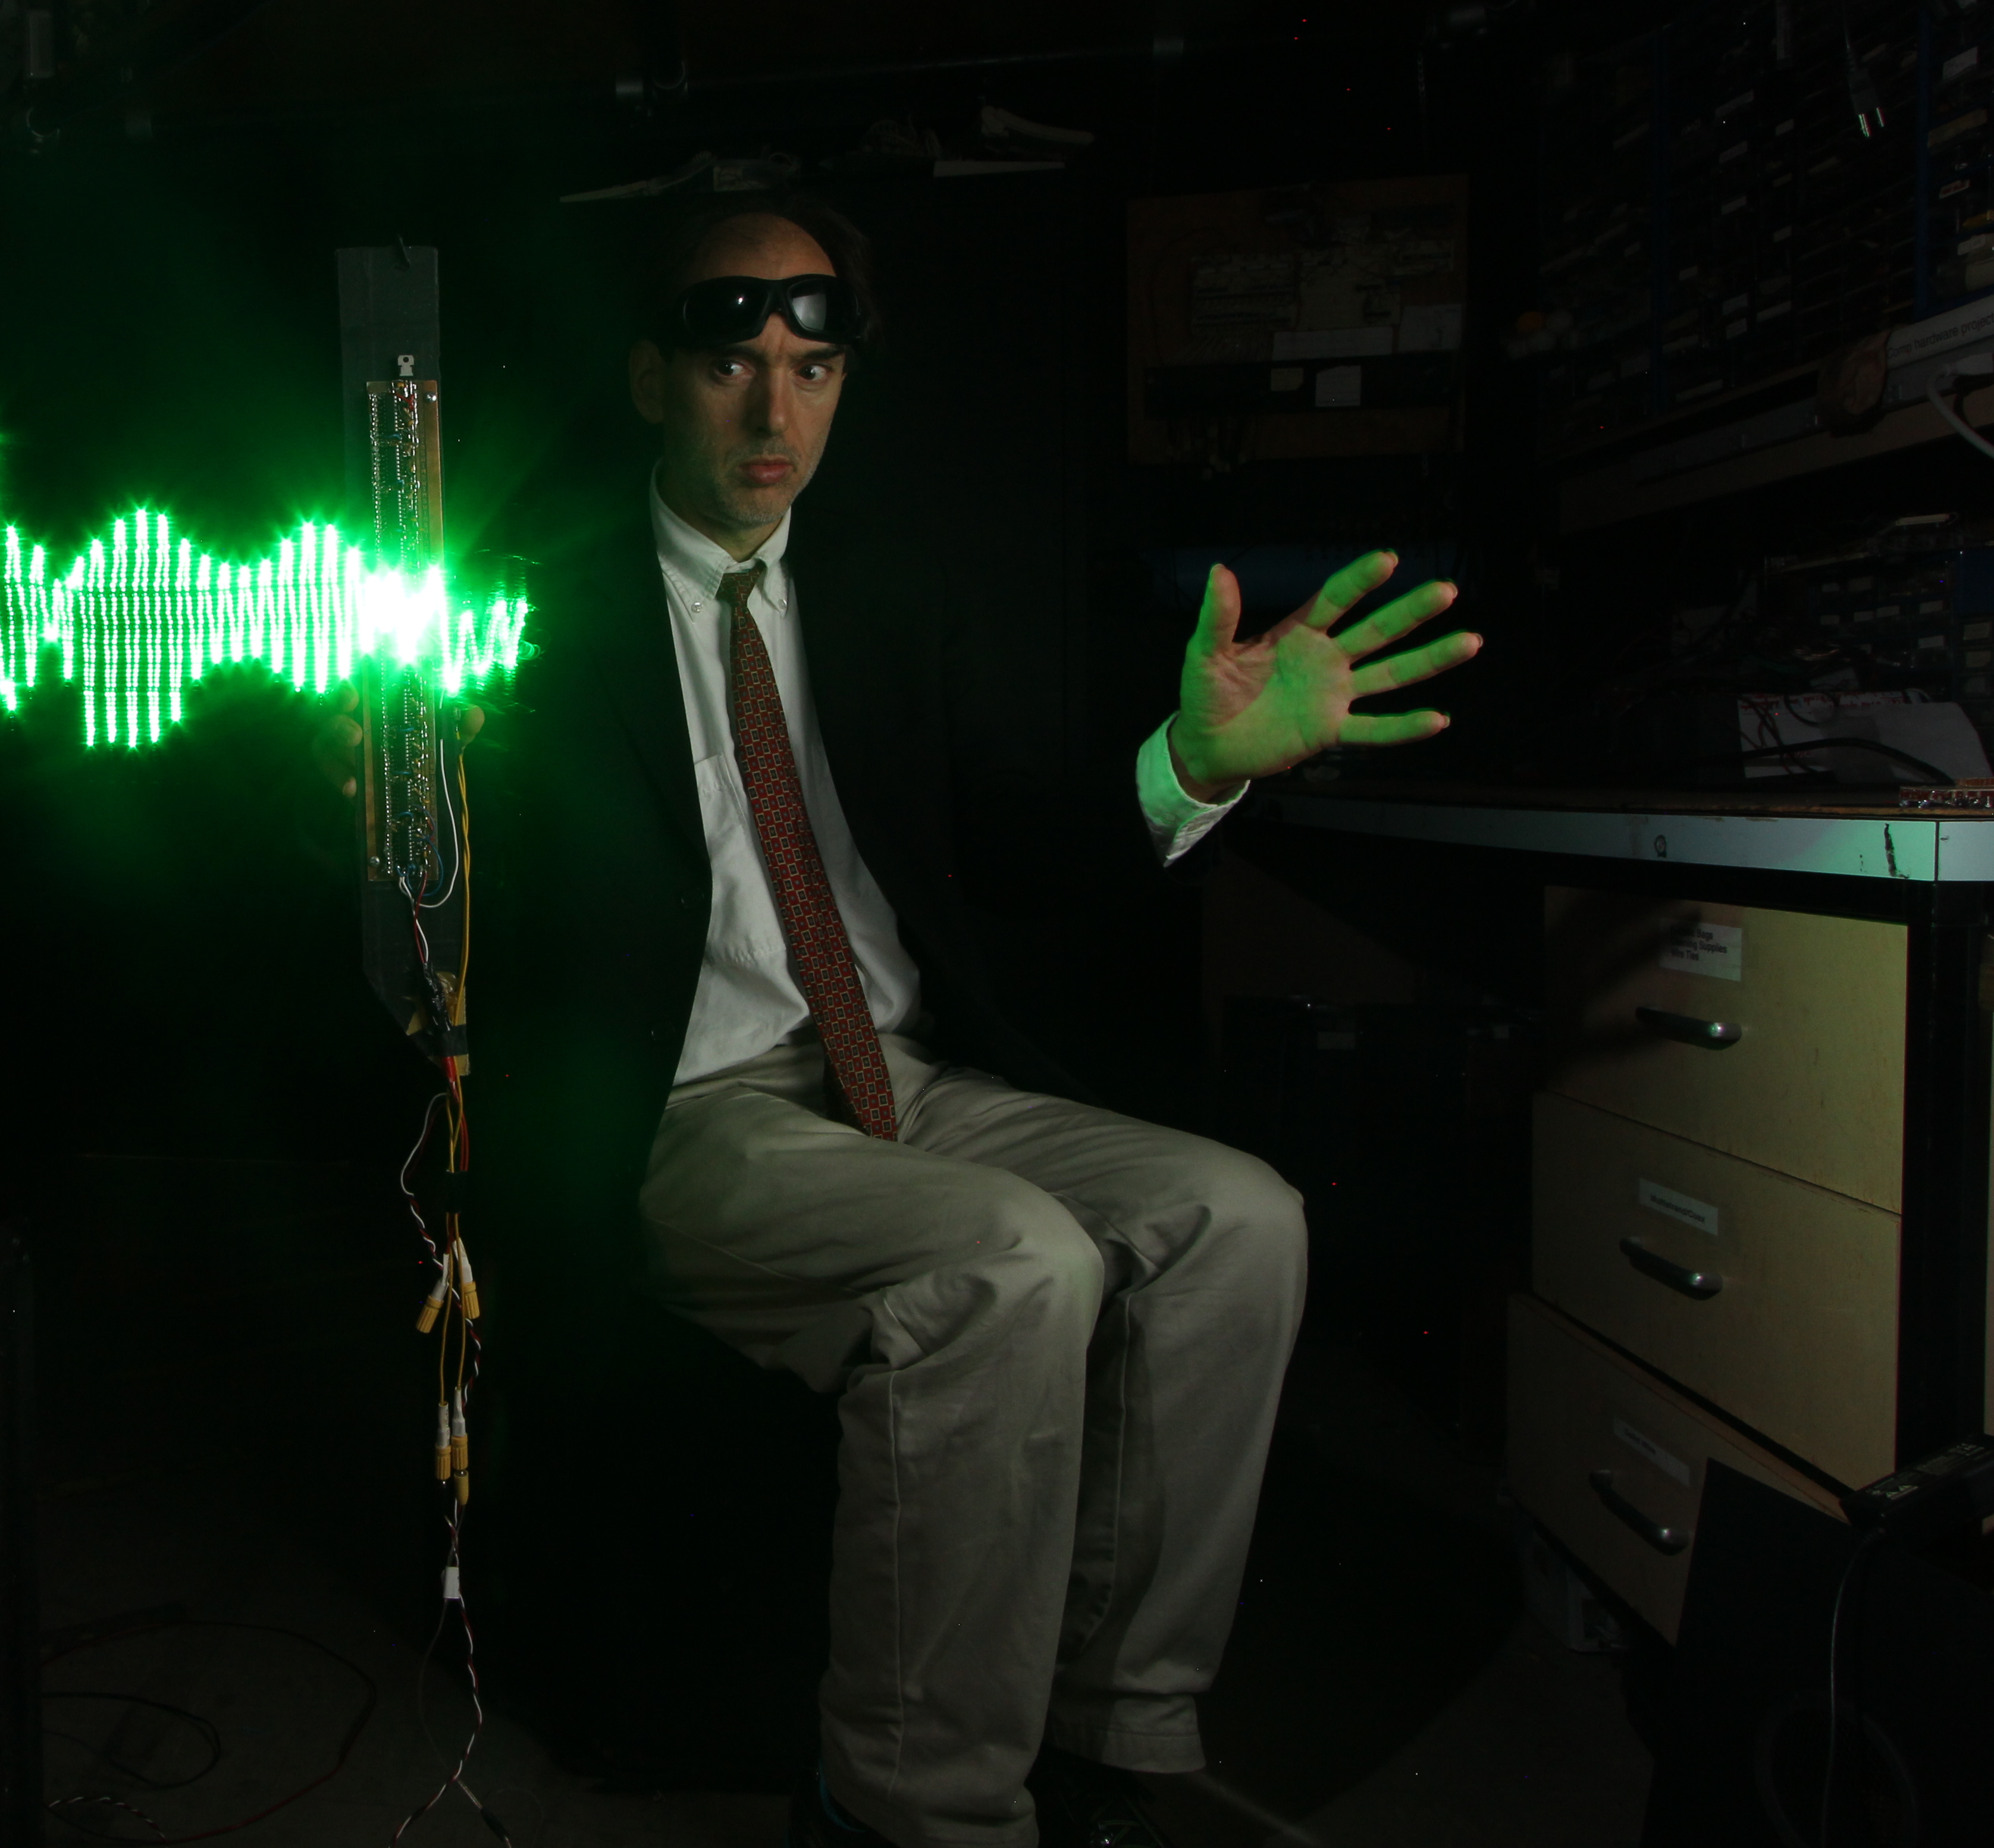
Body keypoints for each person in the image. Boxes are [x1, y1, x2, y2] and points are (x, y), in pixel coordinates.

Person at [318, 192, 1481, 1848]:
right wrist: (369, 798)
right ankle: (912, 1810)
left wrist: (1196, 763)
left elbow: (1016, 842)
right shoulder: (520, 602)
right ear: (652, 380)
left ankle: (1116, 1726)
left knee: (1240, 1220)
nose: (774, 411)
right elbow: (425, 876)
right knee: (1014, 1265)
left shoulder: (884, 590)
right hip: (683, 1106)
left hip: (905, 1074)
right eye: (731, 365)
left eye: (813, 369)